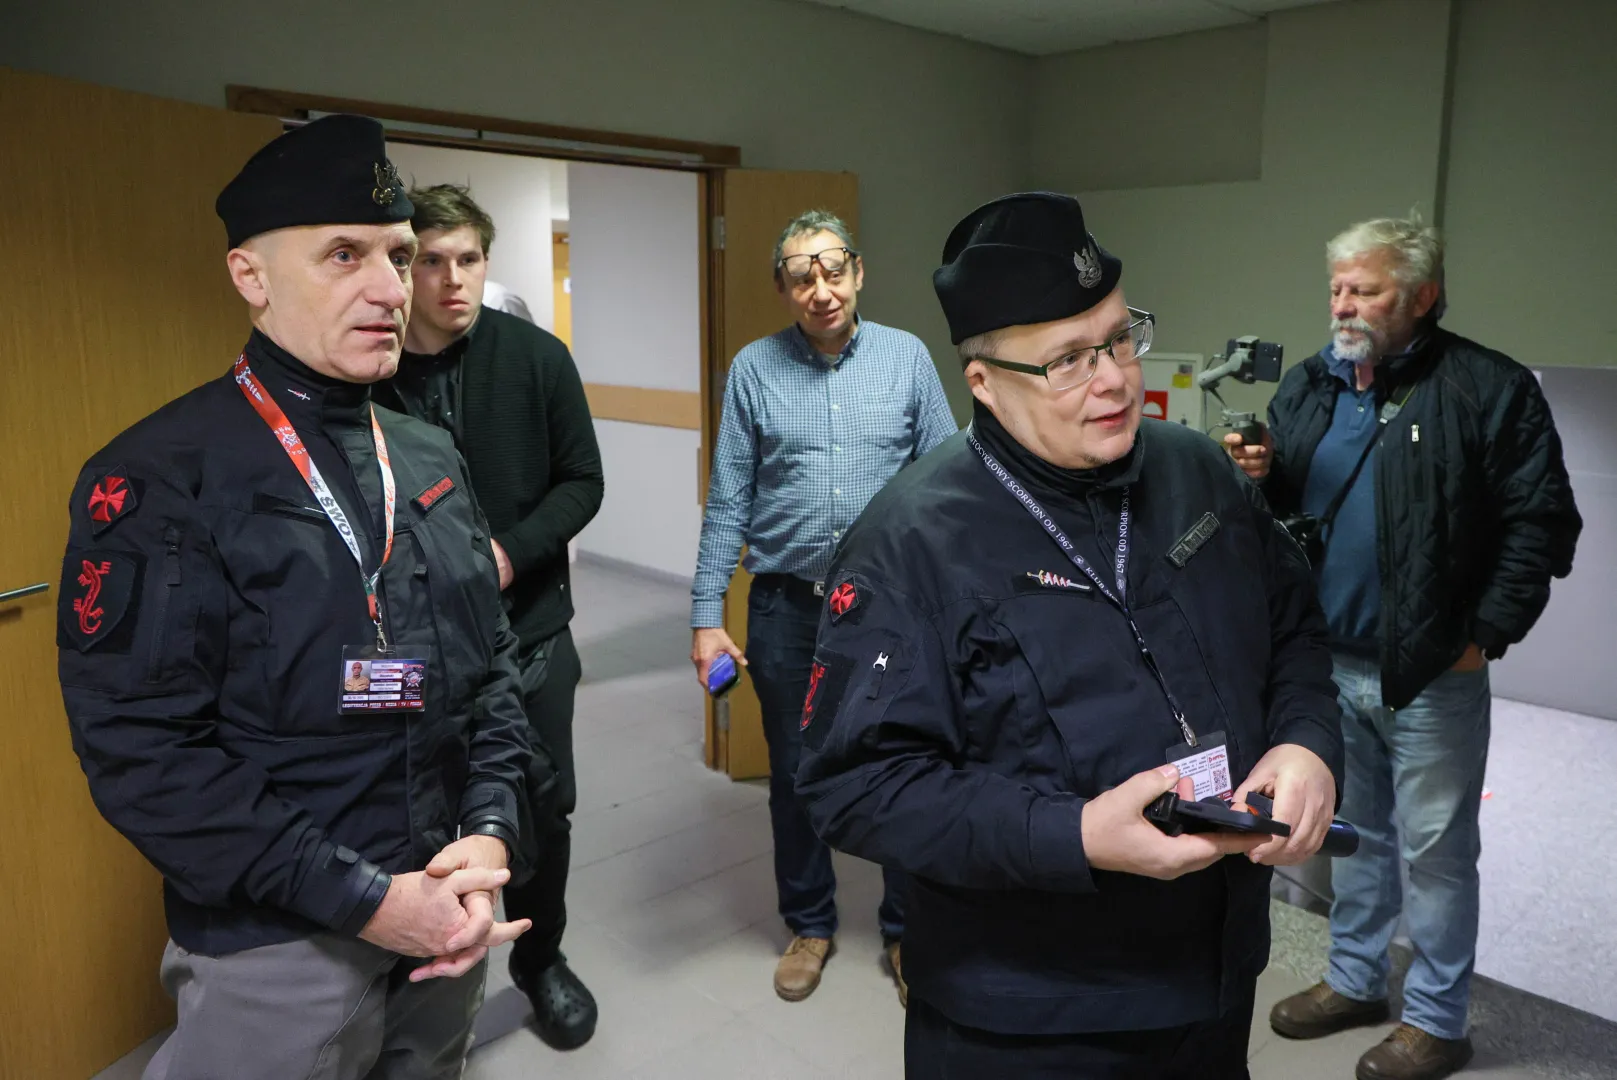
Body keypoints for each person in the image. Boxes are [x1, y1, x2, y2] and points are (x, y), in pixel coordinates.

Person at [794, 192, 1345, 1078]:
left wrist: (1306, 743)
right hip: (1031, 1017)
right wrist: (1074, 835)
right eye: (1067, 361)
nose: (1116, 378)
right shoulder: (910, 543)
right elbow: (855, 785)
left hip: (1215, 972)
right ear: (983, 383)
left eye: (1121, 337)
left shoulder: (1195, 471)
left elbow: (1292, 630)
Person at [55, 114, 545, 1080]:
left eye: (397, 256)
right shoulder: (162, 476)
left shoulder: (428, 456)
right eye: (342, 255)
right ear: (251, 276)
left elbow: (492, 676)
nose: (388, 289)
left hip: (445, 912)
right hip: (278, 947)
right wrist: (366, 900)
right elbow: (143, 751)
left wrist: (488, 831)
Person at [1229, 215, 1581, 1080]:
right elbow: (1290, 503)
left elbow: (1542, 523)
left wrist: (1483, 636)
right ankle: (1353, 980)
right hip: (1325, 659)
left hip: (1429, 670)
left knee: (1434, 851)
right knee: (1354, 836)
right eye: (1337, 288)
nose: (1345, 304)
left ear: (1421, 296)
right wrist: (1261, 473)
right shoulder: (1311, 384)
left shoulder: (1485, 388)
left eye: (1367, 289)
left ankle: (1436, 1018)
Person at [691, 209, 957, 1004]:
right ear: (781, 286)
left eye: (833, 269)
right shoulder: (753, 369)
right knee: (798, 774)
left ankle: (909, 933)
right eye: (801, 275)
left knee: (903, 765)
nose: (820, 288)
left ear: (858, 272)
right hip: (785, 609)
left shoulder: (906, 359)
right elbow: (729, 499)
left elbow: (946, 481)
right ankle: (809, 923)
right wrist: (708, 616)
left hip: (891, 610)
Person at [373, 183, 605, 1050]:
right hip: (414, 647)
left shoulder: (536, 359)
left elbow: (583, 480)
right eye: (429, 260)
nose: (451, 280)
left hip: (532, 632)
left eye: (467, 259)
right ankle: (424, 974)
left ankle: (540, 962)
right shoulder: (372, 373)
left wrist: (509, 554)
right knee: (419, 817)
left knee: (543, 812)